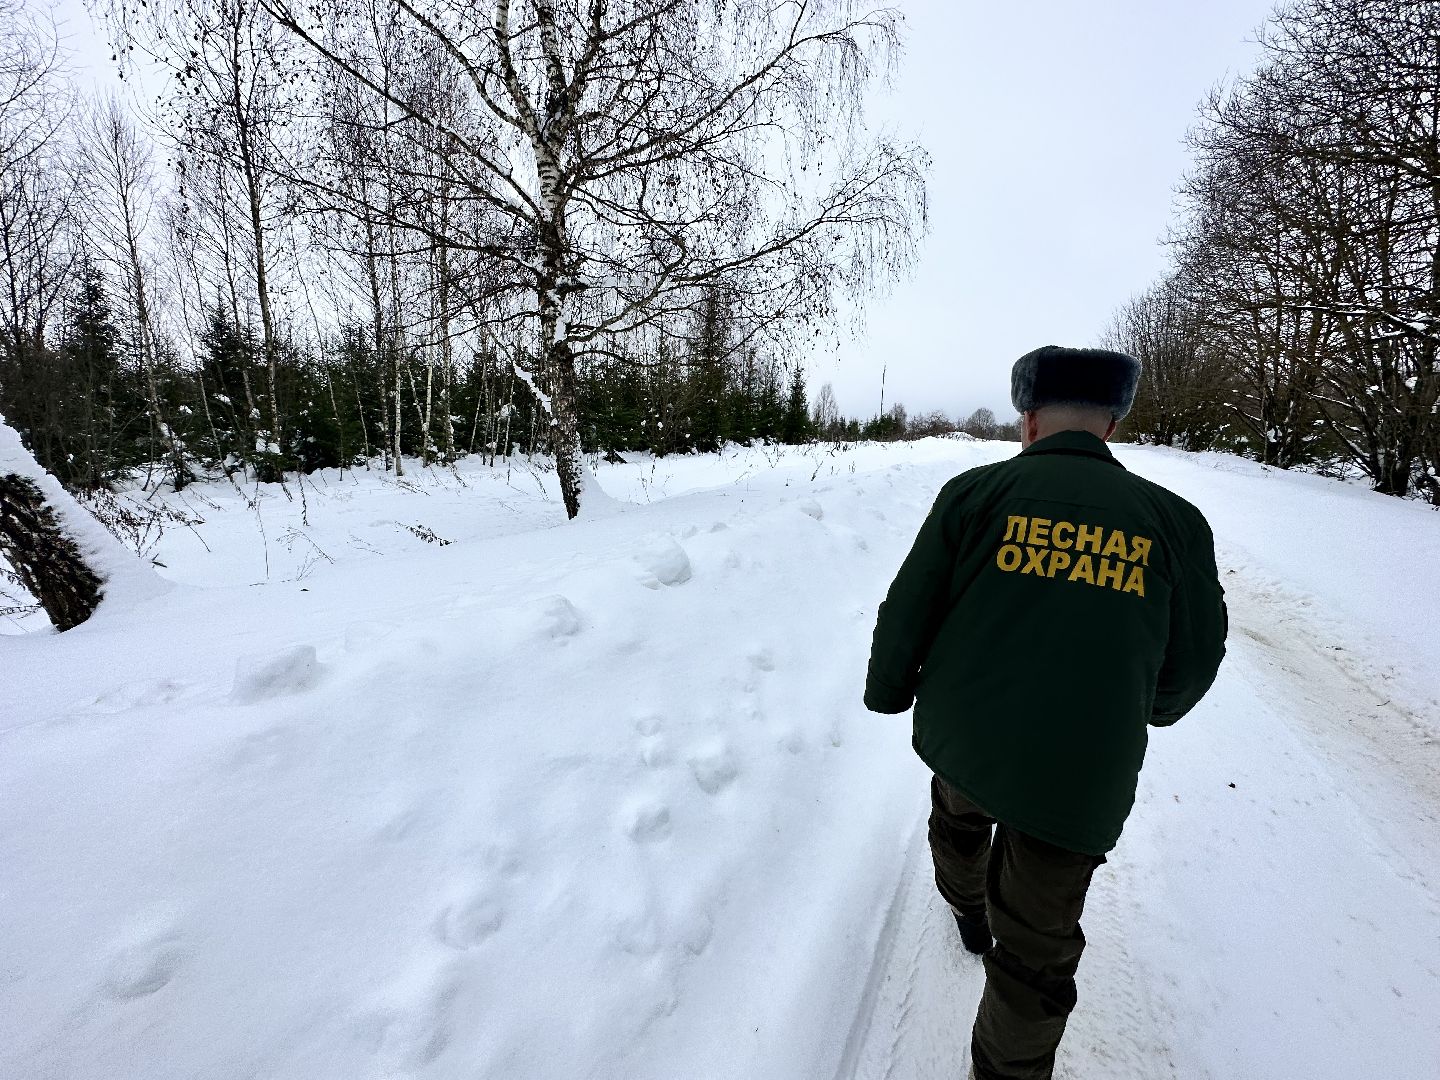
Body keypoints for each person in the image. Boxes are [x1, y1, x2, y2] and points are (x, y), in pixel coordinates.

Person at [863, 345, 1228, 1080]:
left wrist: (889, 690)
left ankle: (968, 912)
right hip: (1080, 774)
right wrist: (1151, 708)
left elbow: (910, 611)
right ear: (1112, 426)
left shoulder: (974, 495)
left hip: (969, 737)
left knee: (959, 825)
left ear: (1027, 419)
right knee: (1036, 958)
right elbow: (1194, 659)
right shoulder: (1173, 521)